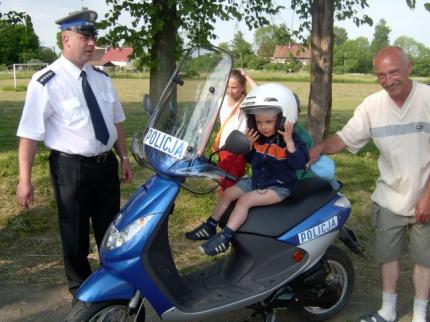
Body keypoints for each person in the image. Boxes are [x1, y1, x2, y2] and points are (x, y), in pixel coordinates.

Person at [15, 9, 132, 300]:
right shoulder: (46, 81)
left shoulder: (102, 78)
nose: (92, 43)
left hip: (106, 166)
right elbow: (29, 133)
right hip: (71, 168)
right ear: (66, 39)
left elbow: (115, 121)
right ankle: (81, 291)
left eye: (93, 37)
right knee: (75, 232)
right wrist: (24, 179)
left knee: (110, 230)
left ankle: (111, 285)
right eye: (85, 37)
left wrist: (124, 157)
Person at [308, 46, 430, 322]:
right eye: (381, 76)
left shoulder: (428, 98)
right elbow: (345, 137)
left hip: (426, 196)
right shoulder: (373, 106)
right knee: (387, 256)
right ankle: (387, 311)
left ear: (409, 67)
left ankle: (421, 314)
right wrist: (319, 149)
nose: (388, 81)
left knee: (425, 260)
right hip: (390, 196)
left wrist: (428, 195)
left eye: (394, 72)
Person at [187, 83, 309, 256]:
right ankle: (210, 225)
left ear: (284, 119)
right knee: (228, 192)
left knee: (244, 201)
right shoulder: (259, 138)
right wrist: (249, 147)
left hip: (279, 187)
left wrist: (289, 142)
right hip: (258, 181)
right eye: (258, 122)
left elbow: (298, 163)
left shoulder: (294, 141)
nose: (263, 126)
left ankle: (226, 237)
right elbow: (253, 161)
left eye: (269, 122)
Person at [210, 69, 257, 190]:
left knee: (231, 182)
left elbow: (259, 91)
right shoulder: (222, 101)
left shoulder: (247, 102)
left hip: (239, 150)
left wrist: (246, 75)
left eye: (234, 87)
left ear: (243, 86)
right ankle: (226, 203)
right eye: (228, 87)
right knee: (222, 181)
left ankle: (228, 204)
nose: (230, 91)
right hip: (223, 149)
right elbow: (211, 122)